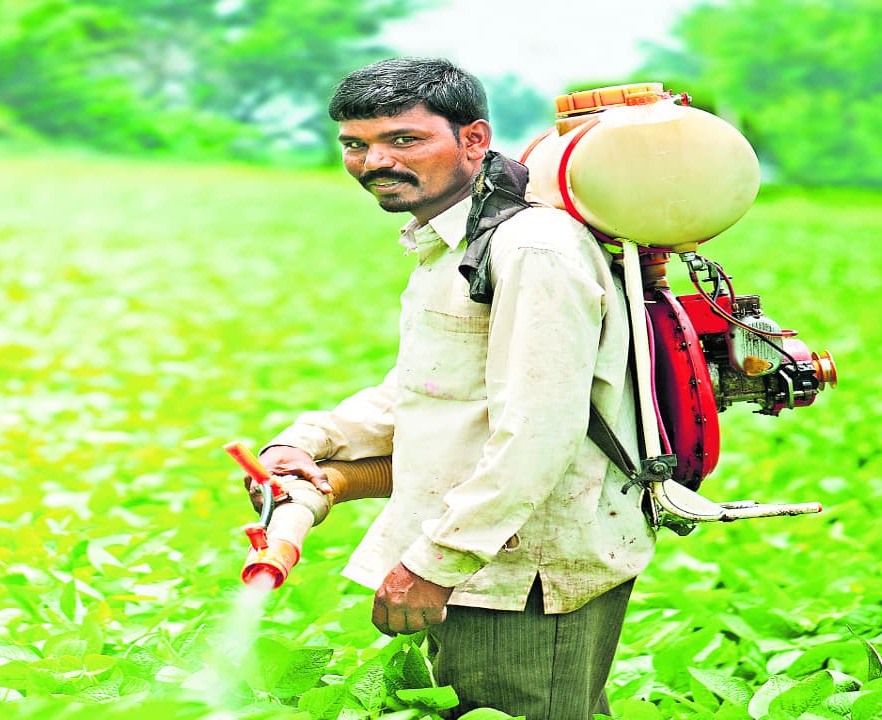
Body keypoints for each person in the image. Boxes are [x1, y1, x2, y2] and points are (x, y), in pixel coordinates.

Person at [253, 57, 656, 719]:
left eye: (404, 140)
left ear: (473, 139)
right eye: (355, 145)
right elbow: (429, 390)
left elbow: (540, 432)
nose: (373, 161)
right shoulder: (458, 240)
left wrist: (436, 564)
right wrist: (310, 442)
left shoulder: (531, 251)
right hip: (480, 560)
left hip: (522, 570)